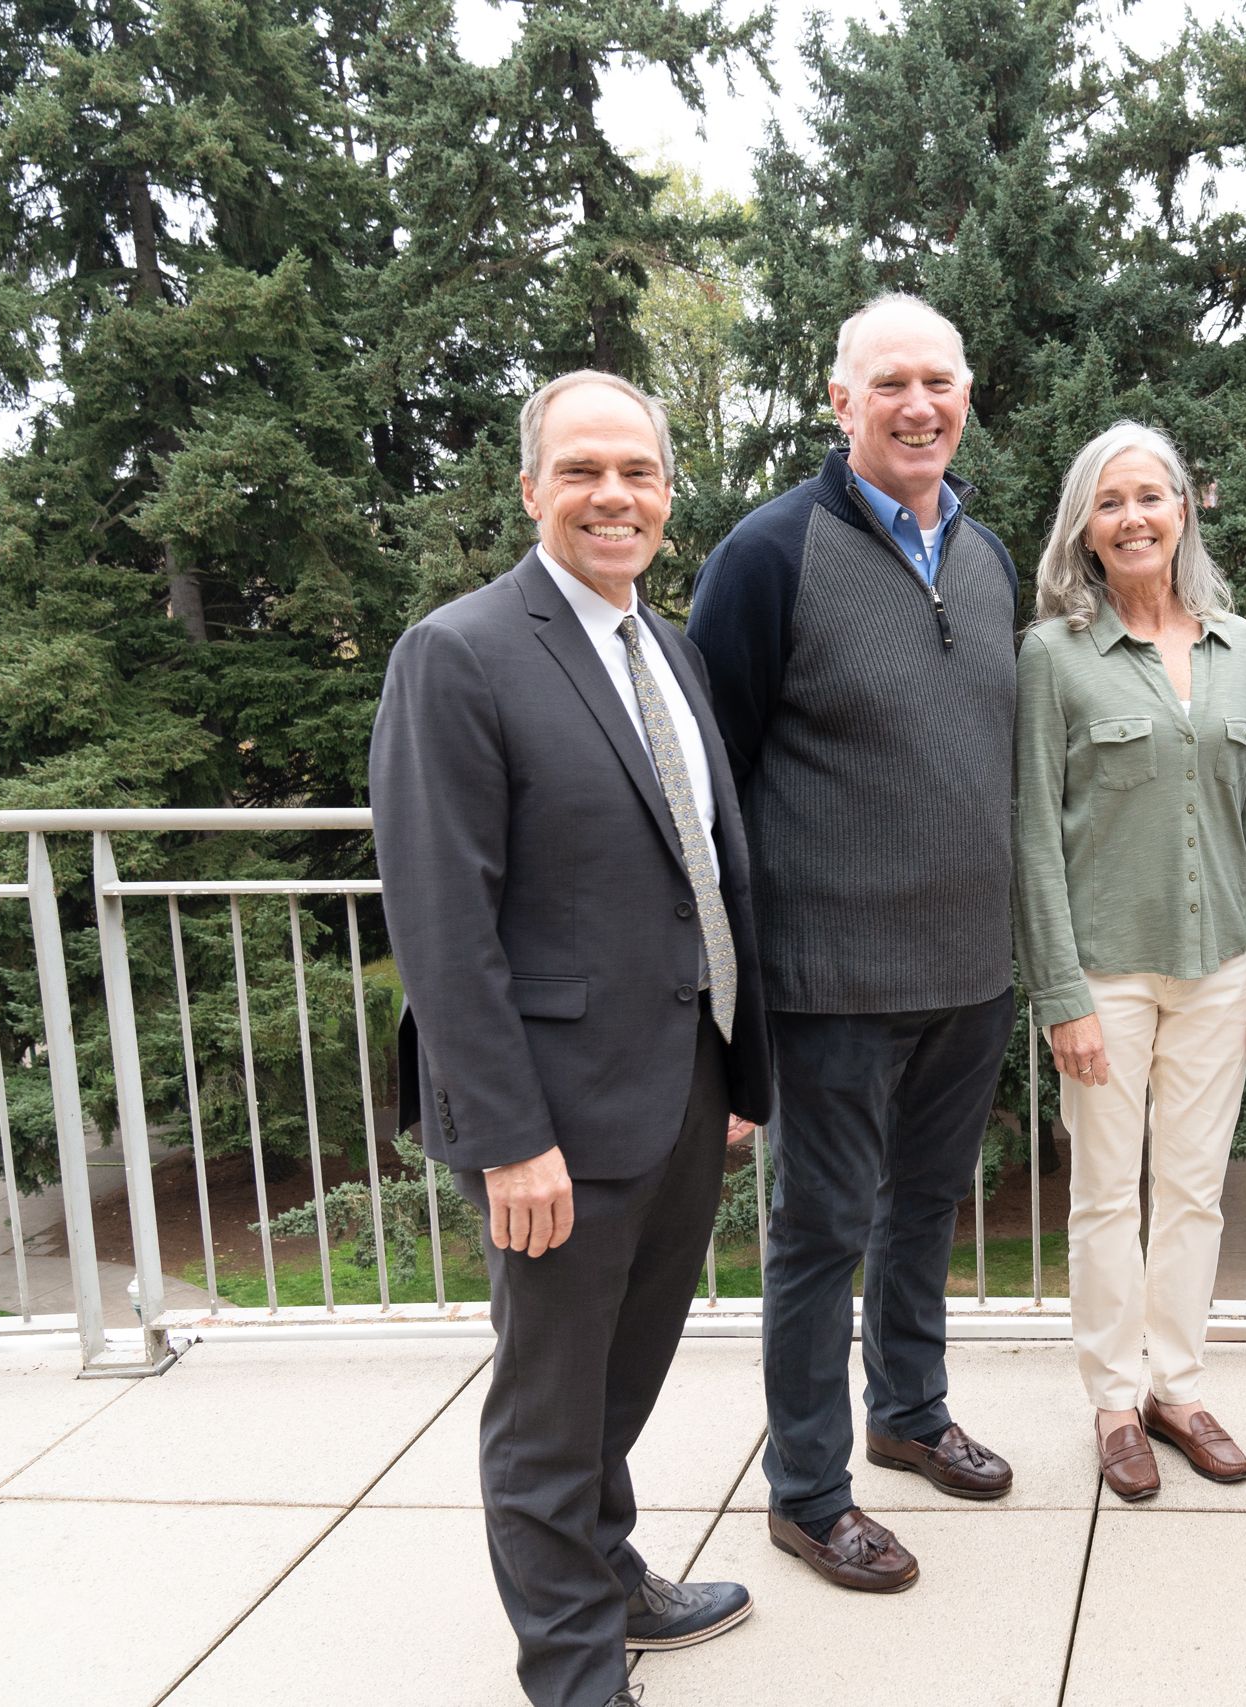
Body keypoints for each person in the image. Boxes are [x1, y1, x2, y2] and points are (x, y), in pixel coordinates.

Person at [372, 370, 775, 1707]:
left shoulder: (668, 646)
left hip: (682, 1085)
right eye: (584, 470)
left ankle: (609, 1576)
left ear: (667, 490)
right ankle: (574, 1673)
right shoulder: (459, 652)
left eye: (639, 472)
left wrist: (733, 1069)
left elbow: (701, 871)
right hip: (550, 1116)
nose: (615, 495)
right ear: (530, 488)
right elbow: (444, 922)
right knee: (548, 1413)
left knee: (622, 1378)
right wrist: (507, 1137)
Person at [687, 293, 1021, 1594]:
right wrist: (731, 992)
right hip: (827, 983)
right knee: (819, 1236)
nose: (918, 406)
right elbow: (710, 787)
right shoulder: (770, 554)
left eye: (939, 380)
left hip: (968, 972)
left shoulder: (986, 557)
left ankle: (910, 1412)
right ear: (841, 402)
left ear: (967, 394)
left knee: (924, 1206)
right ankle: (810, 1492)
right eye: (889, 383)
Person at [1013, 420, 1246, 1501]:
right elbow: (1035, 836)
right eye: (1110, 502)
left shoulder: (1241, 647)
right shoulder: (1053, 656)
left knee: (1192, 1192)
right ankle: (1112, 1400)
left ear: (1183, 509)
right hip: (1106, 972)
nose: (1133, 518)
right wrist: (1061, 992)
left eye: (1151, 497)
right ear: (1084, 529)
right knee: (1103, 1195)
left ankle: (1177, 1388)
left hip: (1220, 963)